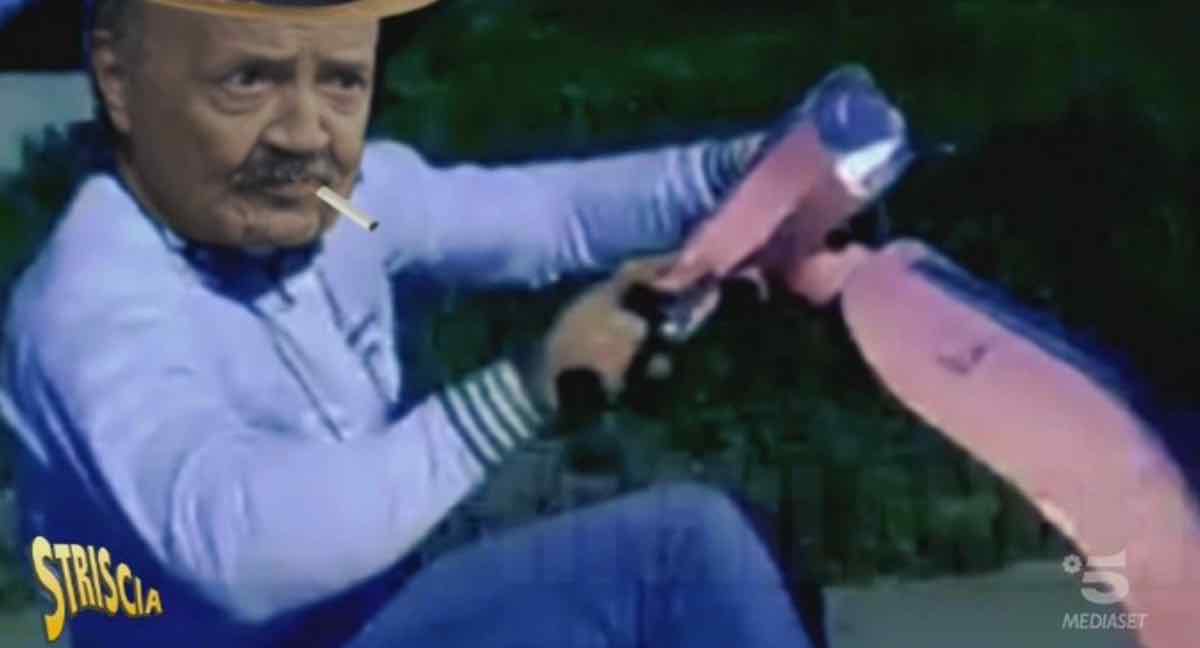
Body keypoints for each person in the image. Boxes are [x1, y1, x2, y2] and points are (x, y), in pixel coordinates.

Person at [0, 1, 822, 646]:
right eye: (247, 80)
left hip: (372, 615)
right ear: (120, 79)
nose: (304, 133)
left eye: (341, 81)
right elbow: (237, 550)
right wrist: (526, 389)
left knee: (750, 546)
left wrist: (750, 173)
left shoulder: (331, 205)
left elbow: (551, 216)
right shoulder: (90, 300)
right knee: (679, 558)